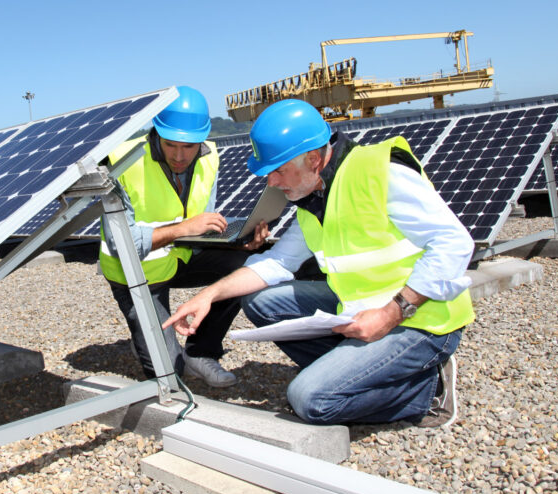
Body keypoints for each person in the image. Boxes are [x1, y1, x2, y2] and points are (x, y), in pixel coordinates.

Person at [163, 99, 474, 426]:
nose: (271, 183)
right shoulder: (313, 199)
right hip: (360, 307)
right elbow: (277, 263)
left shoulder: (381, 172)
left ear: (313, 159)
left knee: (310, 400)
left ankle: (426, 391)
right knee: (260, 300)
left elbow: (454, 243)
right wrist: (208, 296)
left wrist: (390, 313)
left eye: (278, 170)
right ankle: (356, 372)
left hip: (421, 320)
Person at [100, 86, 267, 388]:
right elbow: (120, 243)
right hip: (136, 273)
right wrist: (183, 229)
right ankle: (162, 350)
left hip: (180, 256)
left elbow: (203, 228)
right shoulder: (122, 162)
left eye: (189, 147)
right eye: (171, 144)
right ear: (156, 132)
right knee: (169, 378)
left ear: (202, 139)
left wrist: (241, 239)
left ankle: (201, 352)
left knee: (248, 264)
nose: (180, 156)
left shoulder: (209, 157)